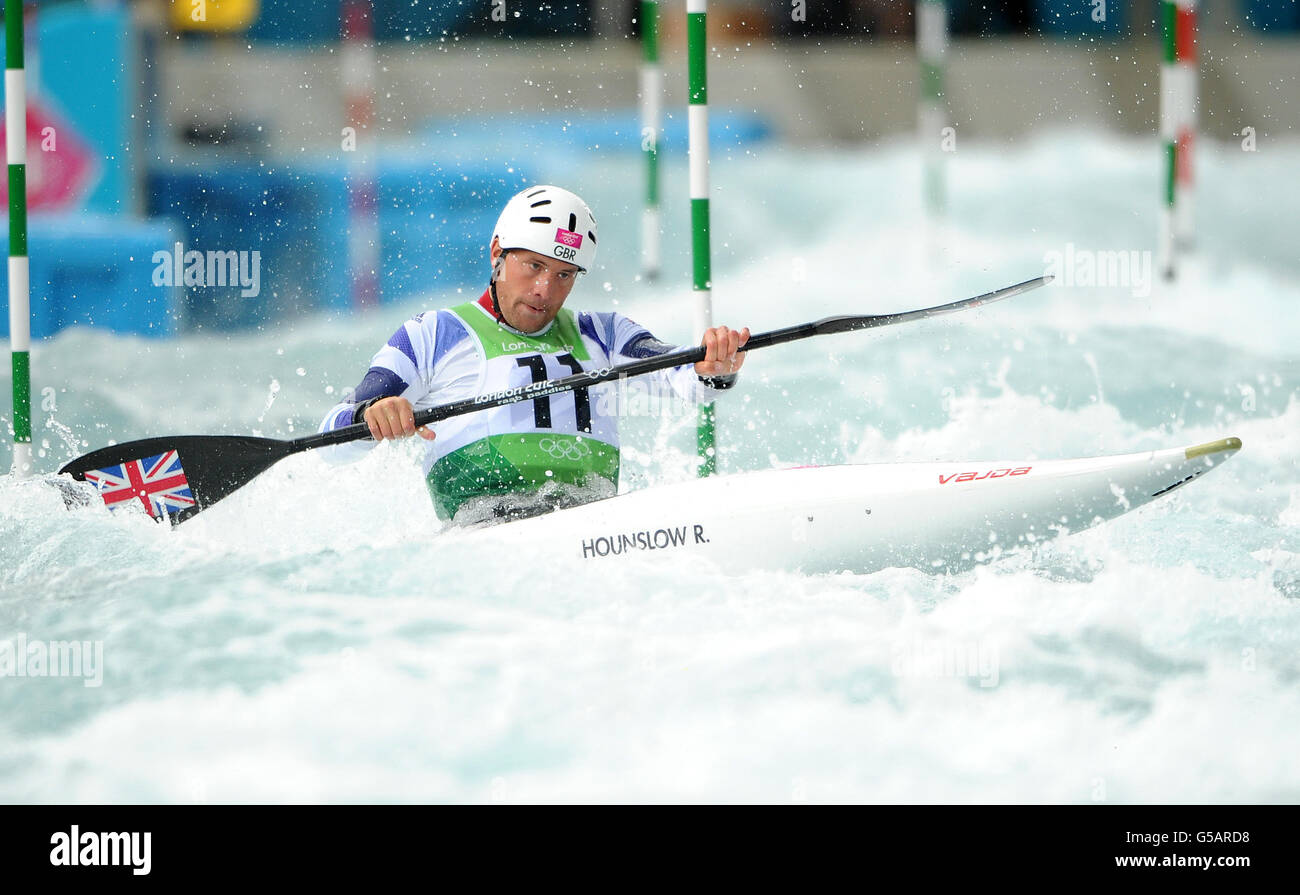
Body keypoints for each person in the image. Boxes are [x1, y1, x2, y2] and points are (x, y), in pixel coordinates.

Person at [318, 184, 750, 524]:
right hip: (482, 530)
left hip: (596, 522)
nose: (546, 289)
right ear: (497, 254)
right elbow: (331, 436)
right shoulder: (432, 334)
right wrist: (370, 415)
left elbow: (679, 371)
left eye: (564, 275)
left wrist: (713, 365)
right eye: (534, 266)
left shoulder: (603, 333)